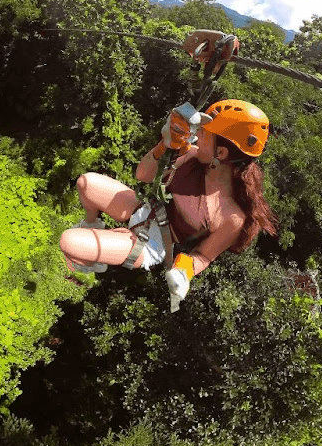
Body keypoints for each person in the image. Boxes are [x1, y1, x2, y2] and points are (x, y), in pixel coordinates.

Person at [59, 98, 278, 310]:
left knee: (69, 242)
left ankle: (92, 257)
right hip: (145, 208)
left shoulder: (232, 217)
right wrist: (165, 145)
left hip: (153, 244)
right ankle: (92, 228)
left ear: (220, 153)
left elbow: (203, 256)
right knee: (85, 183)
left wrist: (184, 270)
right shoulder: (191, 157)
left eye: (204, 133)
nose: (198, 135)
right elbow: (143, 174)